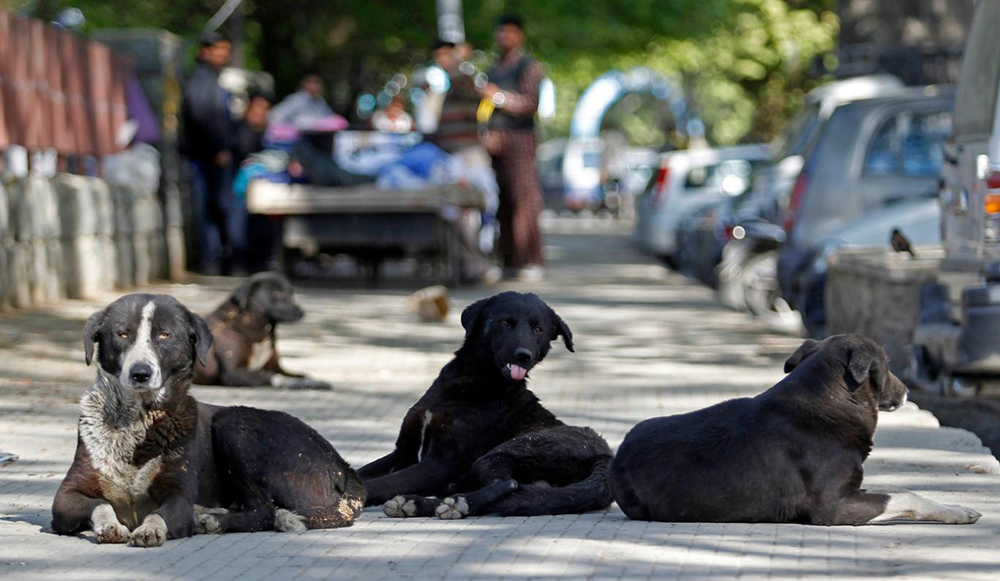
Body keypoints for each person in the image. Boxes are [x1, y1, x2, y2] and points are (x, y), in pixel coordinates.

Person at [481, 14, 545, 280]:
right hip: (495, 142)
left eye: (509, 32)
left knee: (523, 201)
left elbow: (529, 103)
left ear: (519, 35)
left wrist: (498, 97)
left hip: (519, 141)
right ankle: (507, 259)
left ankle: (529, 260)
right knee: (501, 202)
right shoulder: (493, 68)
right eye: (501, 32)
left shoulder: (529, 67)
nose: (504, 37)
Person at [181, 31, 244, 275]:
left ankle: (217, 260)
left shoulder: (210, 79)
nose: (223, 56)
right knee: (216, 210)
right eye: (219, 50)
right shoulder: (201, 80)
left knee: (215, 209)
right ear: (205, 51)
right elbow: (202, 114)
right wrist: (218, 148)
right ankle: (216, 260)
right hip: (209, 158)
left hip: (211, 156)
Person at [430, 40, 481, 153]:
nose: (443, 59)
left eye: (448, 54)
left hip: (467, 149)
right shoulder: (446, 86)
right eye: (439, 55)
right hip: (449, 149)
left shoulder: (464, 80)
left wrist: (460, 60)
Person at [269, 72, 334, 128]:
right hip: (297, 138)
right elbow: (276, 116)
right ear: (304, 84)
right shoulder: (296, 99)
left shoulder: (321, 102)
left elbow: (330, 119)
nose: (314, 86)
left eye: (317, 82)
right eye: (311, 82)